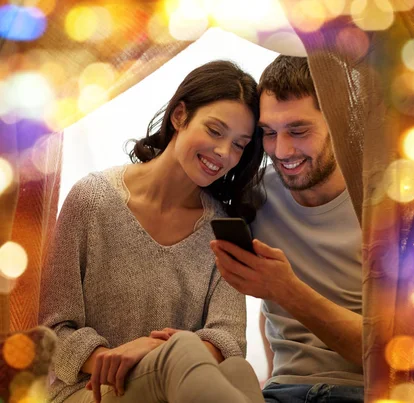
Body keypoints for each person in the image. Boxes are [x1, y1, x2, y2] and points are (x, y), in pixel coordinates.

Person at [39, 60, 266, 403]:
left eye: (239, 144)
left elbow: (229, 340)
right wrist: (121, 359)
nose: (224, 153)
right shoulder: (92, 199)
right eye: (215, 131)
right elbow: (53, 331)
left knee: (238, 371)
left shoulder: (222, 229)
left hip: (180, 390)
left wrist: (154, 351)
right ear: (179, 116)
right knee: (182, 351)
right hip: (90, 391)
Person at [211, 55, 364, 402]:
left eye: (298, 130)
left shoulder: (385, 206)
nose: (281, 151)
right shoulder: (254, 197)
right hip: (282, 393)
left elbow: (393, 356)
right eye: (268, 133)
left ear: (341, 121)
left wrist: (285, 289)